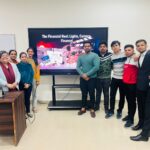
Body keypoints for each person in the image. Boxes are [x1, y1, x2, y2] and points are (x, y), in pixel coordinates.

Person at [130, 39, 150, 141]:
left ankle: (145, 135)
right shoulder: (139, 57)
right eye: (138, 45)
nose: (140, 47)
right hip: (140, 86)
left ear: (146, 45)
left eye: (142, 45)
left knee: (148, 110)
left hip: (148, 87)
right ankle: (141, 124)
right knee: (141, 107)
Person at [76, 41, 100, 118]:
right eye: (85, 46)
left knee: (92, 93)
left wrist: (87, 74)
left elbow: (96, 67)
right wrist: (83, 75)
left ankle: (92, 109)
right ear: (83, 47)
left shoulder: (95, 55)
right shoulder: (80, 56)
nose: (87, 47)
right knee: (84, 93)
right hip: (83, 78)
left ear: (91, 47)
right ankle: (83, 108)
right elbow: (77, 67)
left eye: (88, 46)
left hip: (92, 78)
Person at [106, 41, 126, 119]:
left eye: (116, 45)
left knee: (122, 96)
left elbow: (133, 54)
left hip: (123, 79)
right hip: (114, 78)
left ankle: (119, 111)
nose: (115, 47)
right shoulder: (112, 56)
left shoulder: (124, 54)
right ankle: (111, 111)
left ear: (119, 46)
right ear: (111, 48)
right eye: (113, 46)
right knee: (112, 95)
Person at [122, 44, 138, 127]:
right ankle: (129, 115)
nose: (127, 51)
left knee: (132, 102)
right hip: (125, 83)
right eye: (126, 50)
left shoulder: (136, 59)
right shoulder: (126, 58)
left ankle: (131, 120)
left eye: (129, 50)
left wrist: (137, 55)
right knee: (128, 101)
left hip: (133, 84)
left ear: (133, 50)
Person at [95, 42, 112, 114]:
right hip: (98, 78)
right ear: (99, 48)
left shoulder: (111, 55)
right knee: (98, 93)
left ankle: (106, 107)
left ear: (107, 48)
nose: (102, 48)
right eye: (101, 46)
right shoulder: (95, 56)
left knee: (106, 93)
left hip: (107, 78)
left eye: (104, 46)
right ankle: (97, 106)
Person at [17, 52, 34, 118]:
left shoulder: (29, 65)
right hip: (22, 85)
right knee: (22, 100)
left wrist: (29, 83)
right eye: (22, 57)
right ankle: (23, 113)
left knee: (28, 99)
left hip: (29, 85)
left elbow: (31, 74)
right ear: (20, 58)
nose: (24, 58)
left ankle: (28, 112)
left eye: (25, 57)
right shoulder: (18, 65)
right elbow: (18, 76)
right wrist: (24, 83)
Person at [27, 48, 40, 113]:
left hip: (34, 79)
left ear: (33, 53)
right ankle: (27, 108)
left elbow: (37, 71)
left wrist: (38, 80)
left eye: (31, 51)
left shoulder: (35, 60)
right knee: (27, 94)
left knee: (34, 94)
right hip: (26, 80)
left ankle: (34, 107)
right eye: (29, 51)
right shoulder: (25, 59)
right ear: (27, 52)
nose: (30, 53)